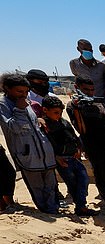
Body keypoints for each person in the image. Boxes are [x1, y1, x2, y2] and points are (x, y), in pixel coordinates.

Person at [0, 73, 58, 214]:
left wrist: (38, 119)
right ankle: (46, 211)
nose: (23, 95)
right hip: (27, 154)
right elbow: (11, 128)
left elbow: (32, 123)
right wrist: (19, 109)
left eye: (26, 92)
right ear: (7, 88)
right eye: (19, 91)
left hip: (43, 152)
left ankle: (54, 209)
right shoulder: (3, 105)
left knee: (50, 185)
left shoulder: (26, 102)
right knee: (37, 187)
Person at [41, 96, 98, 217]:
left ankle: (81, 205)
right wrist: (56, 157)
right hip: (63, 160)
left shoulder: (63, 122)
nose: (58, 115)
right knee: (72, 183)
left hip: (74, 157)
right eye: (56, 112)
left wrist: (79, 147)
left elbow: (73, 136)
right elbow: (47, 145)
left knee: (84, 179)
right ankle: (80, 207)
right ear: (45, 110)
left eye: (60, 112)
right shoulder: (45, 126)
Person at [66, 76, 105, 210]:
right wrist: (77, 109)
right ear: (78, 88)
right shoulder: (73, 106)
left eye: (92, 89)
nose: (89, 92)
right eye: (86, 89)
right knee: (100, 173)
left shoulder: (98, 102)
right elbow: (81, 129)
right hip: (93, 145)